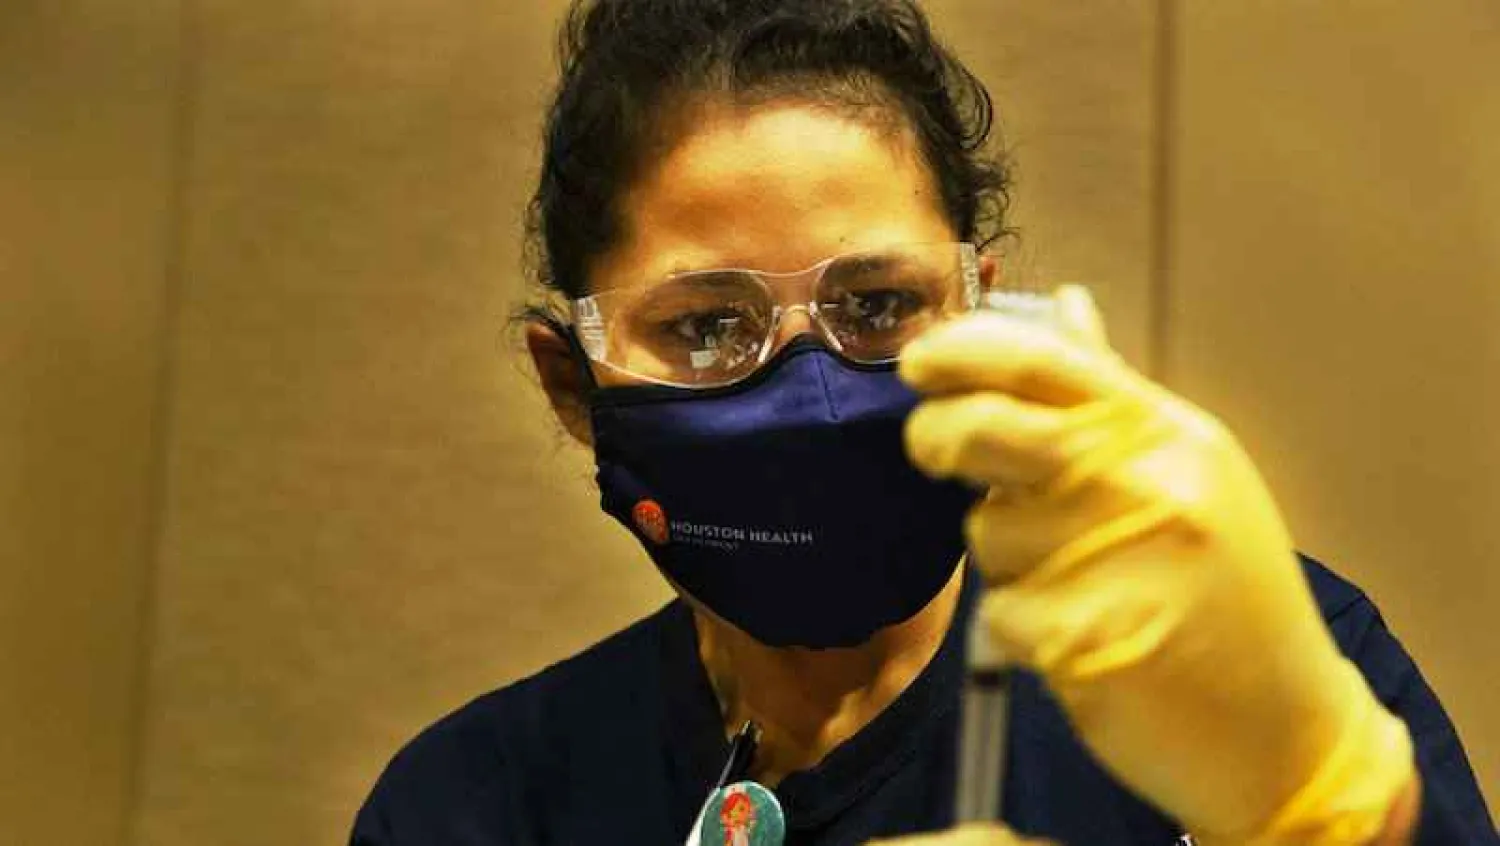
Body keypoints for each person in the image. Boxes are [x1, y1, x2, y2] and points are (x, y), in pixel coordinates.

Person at [349, 1, 1496, 844]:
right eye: (706, 327)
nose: (814, 386)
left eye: (878, 306)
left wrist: (1328, 801)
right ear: (572, 386)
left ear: (980, 310)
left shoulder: (1232, 662)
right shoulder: (473, 804)